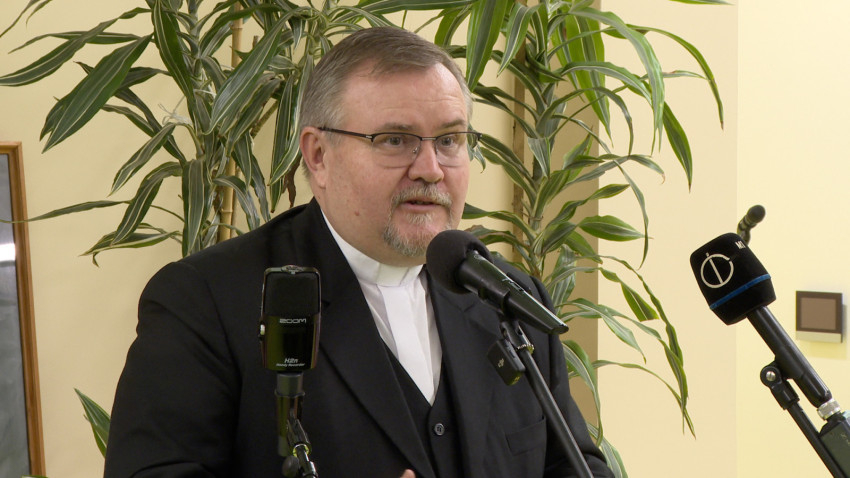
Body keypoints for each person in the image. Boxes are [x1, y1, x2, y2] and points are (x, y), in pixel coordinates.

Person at [103, 26, 613, 478]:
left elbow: (574, 467)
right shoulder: (206, 301)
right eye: (395, 140)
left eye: (450, 141)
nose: (430, 169)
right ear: (318, 156)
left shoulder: (507, 299)